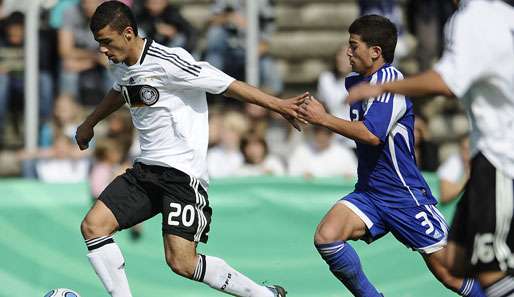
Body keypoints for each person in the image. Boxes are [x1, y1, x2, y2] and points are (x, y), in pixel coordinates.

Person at [74, 2, 307, 297]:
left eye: (106, 42)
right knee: (93, 226)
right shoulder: (119, 62)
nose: (103, 50)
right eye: (99, 43)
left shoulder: (170, 61)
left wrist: (279, 105)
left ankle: (263, 295)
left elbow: (226, 84)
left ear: (128, 33)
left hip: (182, 175)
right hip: (146, 170)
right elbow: (121, 89)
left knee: (181, 262)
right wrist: (90, 122)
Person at [298, 15, 484, 297]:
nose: (347, 51)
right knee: (327, 236)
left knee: (451, 276)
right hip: (371, 192)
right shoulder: (355, 82)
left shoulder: (390, 80)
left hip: (404, 195)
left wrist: (323, 118)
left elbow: (373, 134)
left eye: (353, 45)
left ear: (375, 52)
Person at [346, 2, 514, 295]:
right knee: (457, 261)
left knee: (488, 271)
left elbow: (448, 81)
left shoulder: (473, 17)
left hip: (501, 157)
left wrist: (383, 88)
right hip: (489, 155)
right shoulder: (502, 13)